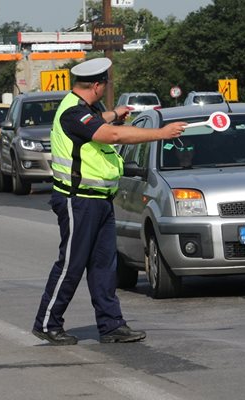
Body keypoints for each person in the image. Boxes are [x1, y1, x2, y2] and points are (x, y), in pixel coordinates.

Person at [32, 57, 187, 345]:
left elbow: (101, 122)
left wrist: (115, 112)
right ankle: (47, 322)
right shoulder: (71, 113)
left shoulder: (85, 110)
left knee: (104, 265)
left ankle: (111, 325)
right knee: (71, 264)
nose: (106, 89)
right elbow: (112, 135)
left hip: (100, 199)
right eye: (105, 84)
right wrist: (161, 134)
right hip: (78, 200)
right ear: (96, 85)